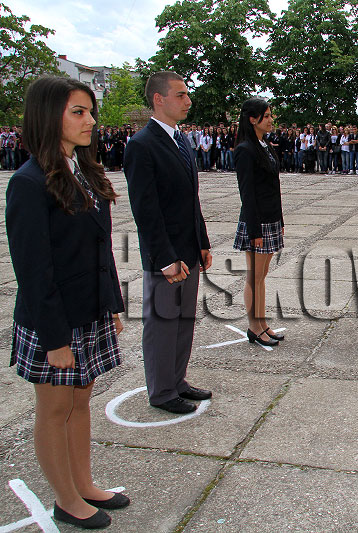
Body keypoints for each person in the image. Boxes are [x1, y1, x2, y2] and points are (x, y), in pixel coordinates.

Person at [6, 76, 130, 529]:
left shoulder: (83, 169)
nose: (91, 121)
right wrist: (55, 340)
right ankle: (65, 499)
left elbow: (100, 249)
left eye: (90, 111)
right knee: (55, 410)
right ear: (48, 115)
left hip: (89, 309)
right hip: (53, 321)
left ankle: (85, 483)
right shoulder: (28, 183)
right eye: (78, 111)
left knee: (81, 403)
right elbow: (34, 273)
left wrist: (111, 305)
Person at [124, 71, 213, 415]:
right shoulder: (142, 145)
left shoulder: (182, 140)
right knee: (162, 323)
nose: (188, 101)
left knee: (184, 321)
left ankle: (176, 380)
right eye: (180, 95)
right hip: (166, 256)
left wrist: (201, 241)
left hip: (188, 249)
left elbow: (191, 199)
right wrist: (164, 257)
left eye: (187, 94)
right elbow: (146, 210)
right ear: (158, 99)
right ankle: (161, 391)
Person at [233, 98, 285, 347]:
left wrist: (280, 219)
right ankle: (254, 326)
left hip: (271, 219)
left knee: (262, 275)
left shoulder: (264, 145)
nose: (271, 119)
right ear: (253, 119)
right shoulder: (245, 149)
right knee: (254, 276)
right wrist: (254, 230)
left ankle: (262, 322)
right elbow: (247, 194)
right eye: (266, 116)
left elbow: (274, 187)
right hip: (257, 223)